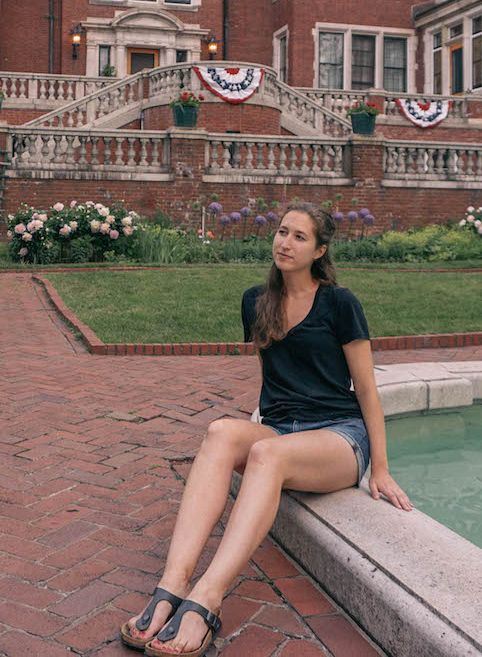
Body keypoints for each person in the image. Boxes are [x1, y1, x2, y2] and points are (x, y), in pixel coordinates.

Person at [120, 202, 413, 657]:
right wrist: (255, 427)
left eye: (299, 236)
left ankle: (207, 598)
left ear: (320, 250)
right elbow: (271, 376)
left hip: (338, 435)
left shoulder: (340, 303)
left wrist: (381, 467)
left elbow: (368, 391)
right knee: (220, 432)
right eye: (282, 232)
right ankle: (173, 585)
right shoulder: (255, 301)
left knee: (267, 456)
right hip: (281, 430)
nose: (285, 242)